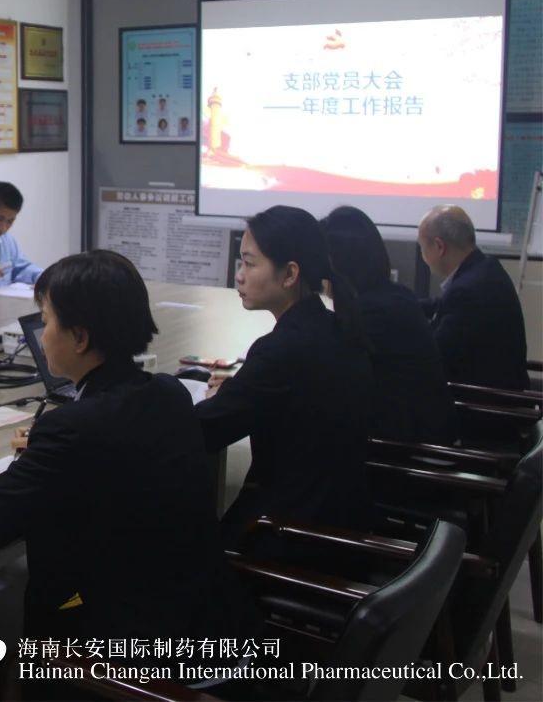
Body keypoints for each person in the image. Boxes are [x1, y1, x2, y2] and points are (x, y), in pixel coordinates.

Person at [0, 251, 255, 674]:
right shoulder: (169, 393)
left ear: (79, 338)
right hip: (201, 616)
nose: (41, 337)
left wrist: (35, 459)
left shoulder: (70, 429)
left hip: (123, 649)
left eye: (47, 321)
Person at [196, 206, 374, 549]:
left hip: (291, 532)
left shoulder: (281, 350)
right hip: (339, 514)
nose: (239, 276)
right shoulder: (335, 327)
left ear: (290, 274)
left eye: (249, 264)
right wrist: (237, 391)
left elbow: (205, 430)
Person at [322, 206, 456, 444]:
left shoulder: (369, 313)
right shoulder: (395, 296)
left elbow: (329, 377)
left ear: (337, 264)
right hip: (422, 430)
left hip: (406, 449)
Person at [417, 204, 528, 391]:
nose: (422, 255)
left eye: (422, 247)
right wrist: (405, 305)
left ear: (439, 246)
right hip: (500, 391)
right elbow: (442, 305)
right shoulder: (486, 268)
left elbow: (435, 357)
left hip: (483, 403)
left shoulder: (466, 292)